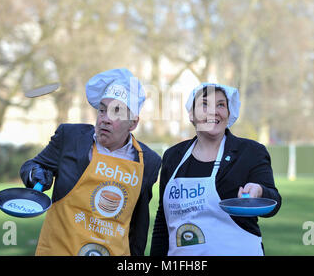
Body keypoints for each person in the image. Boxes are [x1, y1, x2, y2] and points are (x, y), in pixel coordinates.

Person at [20, 68, 161, 256]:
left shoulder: (149, 162)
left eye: (116, 112)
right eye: (102, 110)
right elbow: (32, 166)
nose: (105, 119)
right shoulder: (70, 137)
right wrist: (35, 173)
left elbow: (138, 227)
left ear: (133, 123)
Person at [150, 83, 281, 256]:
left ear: (228, 113)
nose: (214, 111)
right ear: (191, 114)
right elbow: (163, 222)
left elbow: (274, 203)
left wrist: (260, 192)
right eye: (205, 104)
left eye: (220, 105)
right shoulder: (173, 156)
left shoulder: (250, 152)